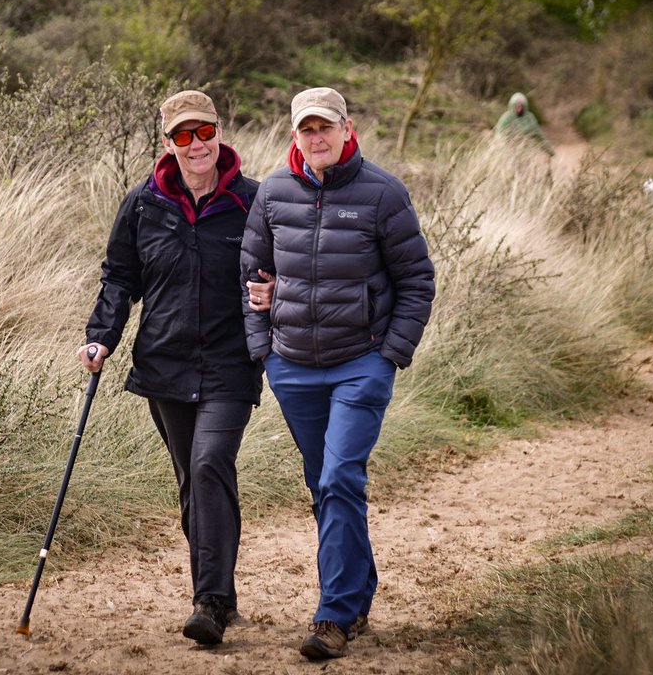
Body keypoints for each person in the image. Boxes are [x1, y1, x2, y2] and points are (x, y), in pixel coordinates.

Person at [239, 87, 436, 660]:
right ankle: (360, 589)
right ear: (294, 136)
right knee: (325, 486)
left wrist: (389, 355)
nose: (317, 137)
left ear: (348, 130)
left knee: (339, 477)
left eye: (326, 126)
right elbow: (250, 277)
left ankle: (333, 615)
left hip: (360, 364)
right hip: (293, 366)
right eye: (306, 129)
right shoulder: (274, 193)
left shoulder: (383, 193)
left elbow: (417, 281)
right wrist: (264, 351)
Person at [78, 89, 273, 646]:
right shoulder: (144, 204)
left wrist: (277, 292)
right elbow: (120, 277)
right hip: (165, 363)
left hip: (231, 365)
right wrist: (101, 337)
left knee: (211, 464)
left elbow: (279, 271)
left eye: (204, 133)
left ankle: (208, 603)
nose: (196, 145)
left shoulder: (253, 202)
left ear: (220, 132)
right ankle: (222, 592)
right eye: (183, 136)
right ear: (167, 143)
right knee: (194, 482)